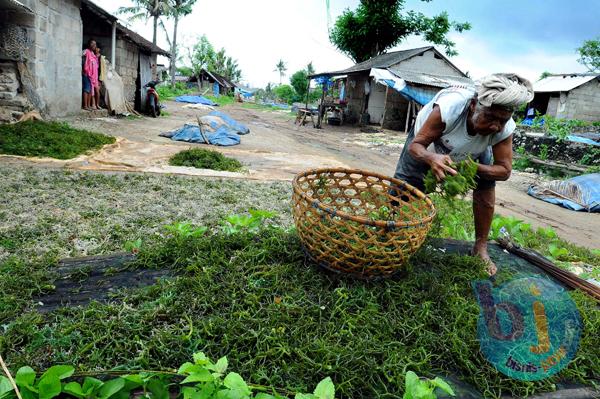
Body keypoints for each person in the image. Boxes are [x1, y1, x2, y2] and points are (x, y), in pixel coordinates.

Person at [393, 73, 534, 275]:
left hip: (473, 151)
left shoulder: (502, 128)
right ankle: (393, 232)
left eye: (502, 121)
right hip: (428, 144)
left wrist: (469, 168)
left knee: (486, 187)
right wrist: (432, 158)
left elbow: (504, 171)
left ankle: (480, 247)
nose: (496, 126)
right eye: (490, 117)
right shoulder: (450, 108)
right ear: (473, 105)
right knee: (405, 188)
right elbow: (416, 146)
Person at [82, 39, 99, 110]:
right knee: (86, 89)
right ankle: (85, 106)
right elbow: (80, 56)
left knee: (90, 90)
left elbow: (96, 65)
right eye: (92, 43)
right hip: (86, 73)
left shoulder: (93, 54)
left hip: (92, 76)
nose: (94, 45)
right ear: (89, 44)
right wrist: (82, 69)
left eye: (95, 44)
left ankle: (88, 106)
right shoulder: (86, 51)